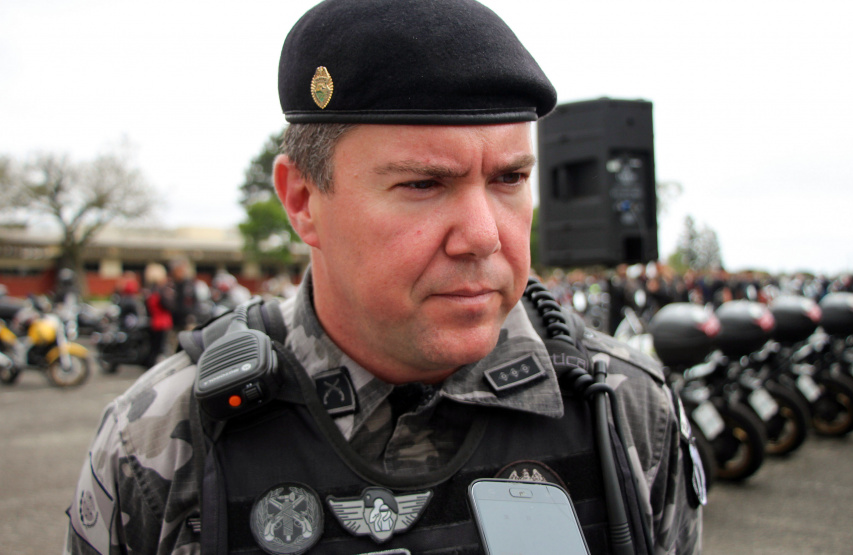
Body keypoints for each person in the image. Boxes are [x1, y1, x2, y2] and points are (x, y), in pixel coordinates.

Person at [64, 1, 702, 553]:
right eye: (424, 184)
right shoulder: (163, 441)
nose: (482, 235)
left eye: (509, 178)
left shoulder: (622, 408)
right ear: (303, 199)